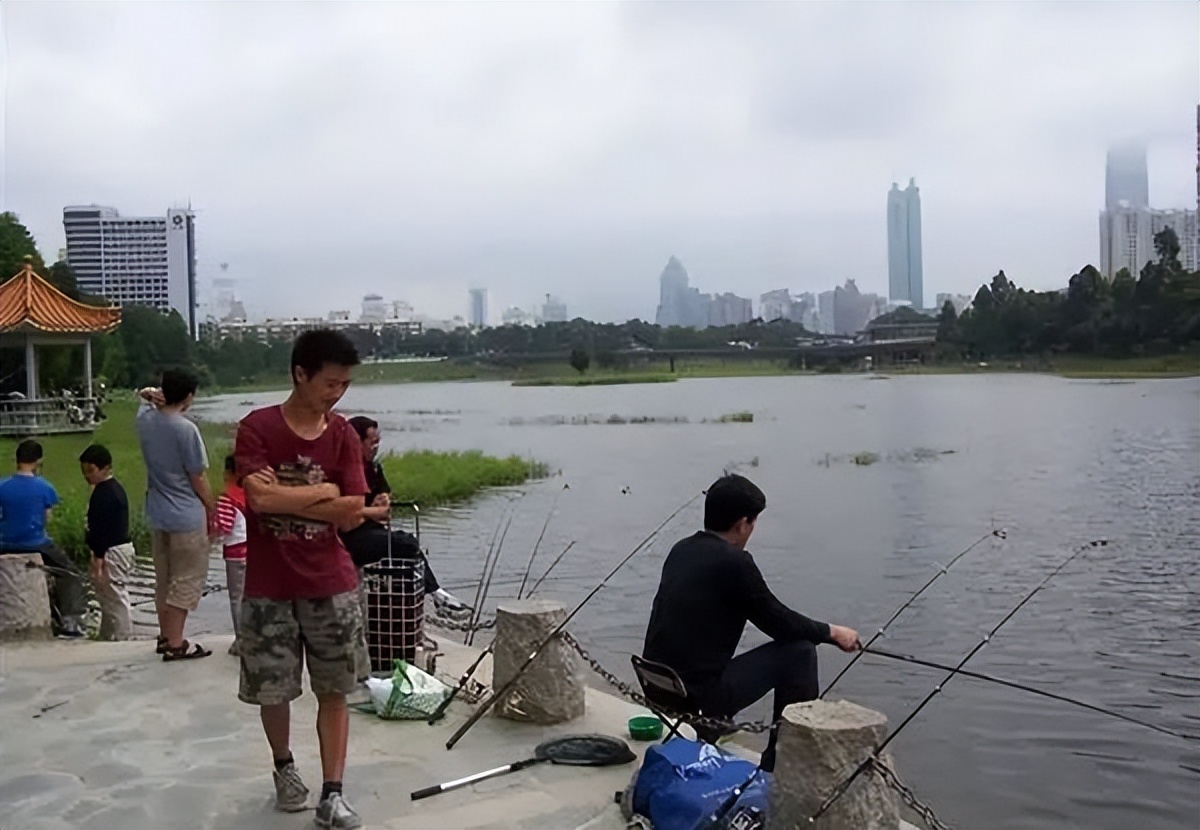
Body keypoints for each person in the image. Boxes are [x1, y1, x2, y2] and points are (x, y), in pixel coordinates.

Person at [236, 329, 372, 830]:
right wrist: (324, 493)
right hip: (270, 585)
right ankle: (284, 766)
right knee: (274, 690)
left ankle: (333, 793)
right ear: (300, 373)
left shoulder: (342, 436)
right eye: (330, 383)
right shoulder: (257, 428)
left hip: (330, 582)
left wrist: (294, 496)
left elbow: (353, 509)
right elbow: (259, 500)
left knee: (335, 689)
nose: (337, 393)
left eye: (344, 385)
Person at [641, 474, 861, 772]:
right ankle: (782, 765)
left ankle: (718, 733)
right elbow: (780, 623)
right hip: (696, 699)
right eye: (754, 523)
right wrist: (833, 633)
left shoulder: (681, 549)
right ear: (742, 523)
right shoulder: (736, 563)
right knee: (799, 652)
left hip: (657, 685)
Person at [339, 415, 470, 618]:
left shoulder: (373, 467)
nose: (375, 447)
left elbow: (385, 493)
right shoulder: (343, 470)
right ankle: (437, 594)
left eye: (378, 442)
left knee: (406, 550)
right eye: (372, 442)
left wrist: (384, 500)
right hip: (350, 535)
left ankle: (426, 601)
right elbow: (343, 512)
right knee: (406, 543)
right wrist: (373, 511)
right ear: (356, 442)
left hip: (371, 529)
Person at [135, 368, 216, 661]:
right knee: (186, 579)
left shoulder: (145, 420)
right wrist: (212, 507)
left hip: (158, 512)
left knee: (165, 579)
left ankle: (165, 634)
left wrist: (149, 394)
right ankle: (176, 642)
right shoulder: (185, 429)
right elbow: (197, 477)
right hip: (186, 515)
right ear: (189, 396)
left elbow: (143, 396)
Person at [0, 439, 86, 638]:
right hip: (35, 543)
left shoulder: (2, 486)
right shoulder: (45, 487)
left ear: (17, 459)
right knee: (70, 573)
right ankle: (70, 622)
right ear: (39, 461)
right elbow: (46, 518)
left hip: (4, 543)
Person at [80, 444, 134, 641]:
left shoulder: (106, 494)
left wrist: (98, 560)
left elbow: (102, 530)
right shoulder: (108, 490)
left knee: (115, 595)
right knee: (107, 596)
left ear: (105, 468)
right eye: (84, 471)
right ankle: (107, 635)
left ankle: (124, 637)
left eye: (90, 470)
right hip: (113, 548)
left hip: (112, 550)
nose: (87, 475)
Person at [214, 455, 248, 656]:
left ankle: (242, 642)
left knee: (237, 598)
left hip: (236, 553)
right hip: (254, 552)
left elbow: (223, 528)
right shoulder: (250, 494)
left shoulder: (228, 497)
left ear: (228, 473)